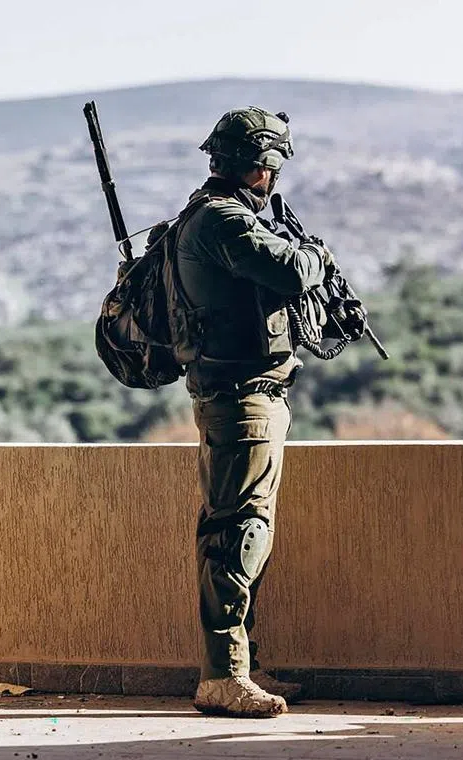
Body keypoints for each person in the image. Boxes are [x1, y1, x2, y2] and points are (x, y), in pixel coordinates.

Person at [164, 106, 333, 718]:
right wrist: (313, 250)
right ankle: (222, 674)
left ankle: (240, 663)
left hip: (253, 394)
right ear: (261, 167)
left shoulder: (215, 215)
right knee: (236, 532)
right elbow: (290, 270)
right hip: (240, 397)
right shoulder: (221, 220)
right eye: (271, 165)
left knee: (246, 532)